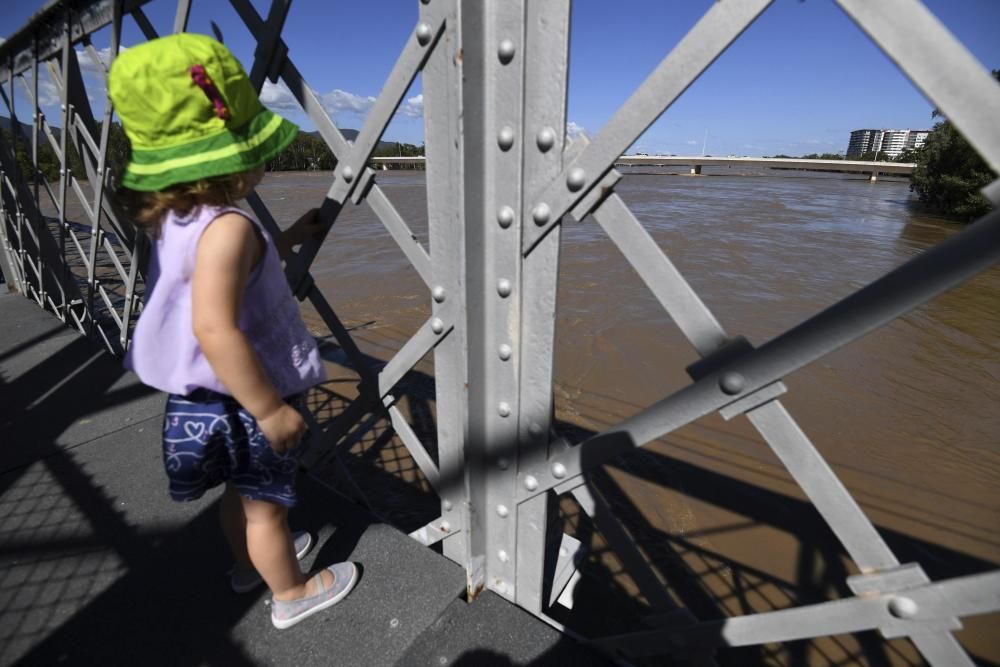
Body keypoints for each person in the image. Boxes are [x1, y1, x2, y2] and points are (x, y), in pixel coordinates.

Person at [108, 33, 357, 629]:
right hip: (246, 396)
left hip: (196, 399)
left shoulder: (179, 220)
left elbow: (221, 275)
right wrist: (270, 410)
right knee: (267, 508)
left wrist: (289, 238)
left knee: (235, 499)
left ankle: (249, 567)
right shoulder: (230, 229)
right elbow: (215, 324)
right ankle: (294, 594)